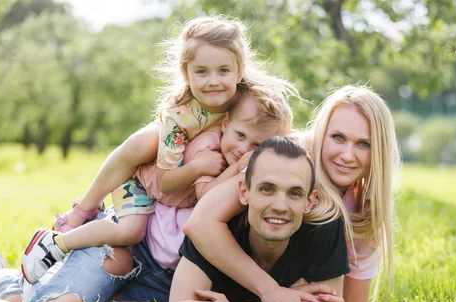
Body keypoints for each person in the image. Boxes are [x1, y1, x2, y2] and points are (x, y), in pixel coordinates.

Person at [20, 15, 295, 284]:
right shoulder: (179, 121)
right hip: (146, 184)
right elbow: (165, 183)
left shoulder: (245, 98)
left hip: (184, 195)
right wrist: (199, 167)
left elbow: (277, 119)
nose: (214, 81)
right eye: (202, 71)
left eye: (224, 71)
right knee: (130, 230)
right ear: (185, 73)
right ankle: (59, 239)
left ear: (240, 68)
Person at [181, 84, 401, 302]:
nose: (347, 155)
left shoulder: (362, 210)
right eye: (338, 137)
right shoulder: (285, 162)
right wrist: (271, 292)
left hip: (253, 296)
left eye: (364, 144)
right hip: (189, 264)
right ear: (321, 135)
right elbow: (200, 223)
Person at [168, 136, 349, 302]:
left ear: (309, 201)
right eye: (267, 189)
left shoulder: (324, 227)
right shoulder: (213, 232)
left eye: (294, 193)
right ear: (244, 191)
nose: (280, 206)